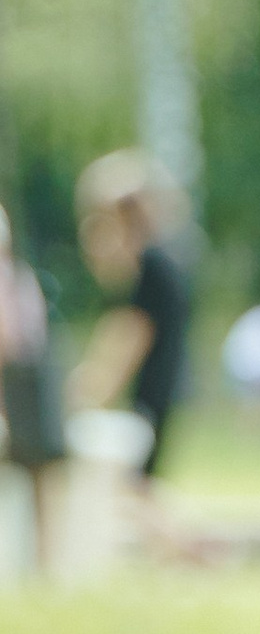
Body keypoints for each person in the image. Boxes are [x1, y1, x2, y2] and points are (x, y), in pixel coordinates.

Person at [68, 151, 191, 550]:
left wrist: (83, 394)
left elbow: (127, 339)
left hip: (151, 390)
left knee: (132, 486)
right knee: (139, 487)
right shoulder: (163, 264)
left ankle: (191, 553)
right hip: (163, 386)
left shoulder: (151, 271)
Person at [0, 203, 68, 576]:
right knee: (38, 489)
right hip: (30, 402)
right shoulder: (22, 278)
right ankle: (43, 565)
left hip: (15, 401)